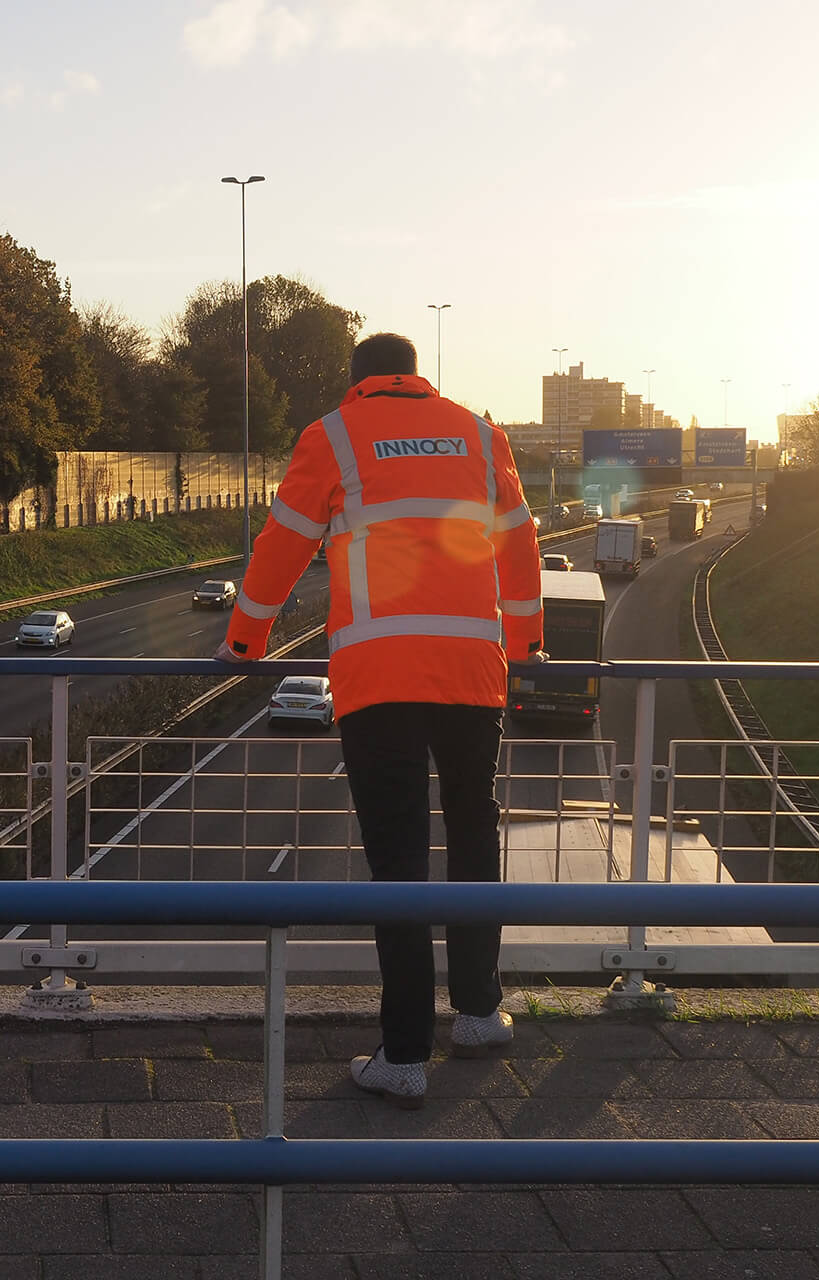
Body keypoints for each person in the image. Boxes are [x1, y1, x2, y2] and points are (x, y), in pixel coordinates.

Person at [216, 333, 545, 1109]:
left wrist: (244, 639)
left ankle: (403, 1055)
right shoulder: (477, 432)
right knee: (472, 833)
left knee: (397, 860)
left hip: (379, 678)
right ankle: (478, 1011)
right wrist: (525, 640)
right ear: (415, 376)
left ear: (358, 382)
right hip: (472, 673)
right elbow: (520, 540)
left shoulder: (332, 436)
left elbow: (284, 545)